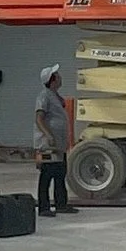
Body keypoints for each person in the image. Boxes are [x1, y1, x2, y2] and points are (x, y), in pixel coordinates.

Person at [34, 64, 72, 215]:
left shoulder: (55, 96)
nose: (60, 77)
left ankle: (61, 204)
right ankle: (44, 207)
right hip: (48, 145)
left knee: (60, 174)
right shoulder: (44, 96)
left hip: (58, 145)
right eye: (58, 75)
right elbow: (39, 118)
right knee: (47, 175)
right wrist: (48, 135)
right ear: (53, 79)